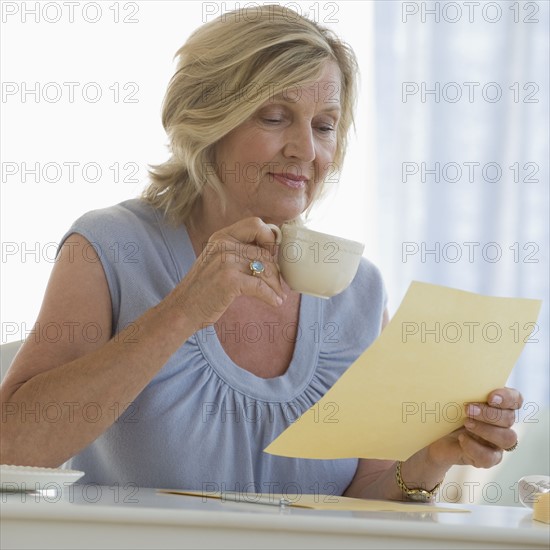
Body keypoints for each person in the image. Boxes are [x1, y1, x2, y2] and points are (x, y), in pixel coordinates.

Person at [0, 5, 521, 501]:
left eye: (324, 126)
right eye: (275, 117)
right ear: (208, 119)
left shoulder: (358, 291)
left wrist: (432, 458)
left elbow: (364, 496)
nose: (306, 150)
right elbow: (12, 451)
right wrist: (182, 312)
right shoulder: (111, 247)